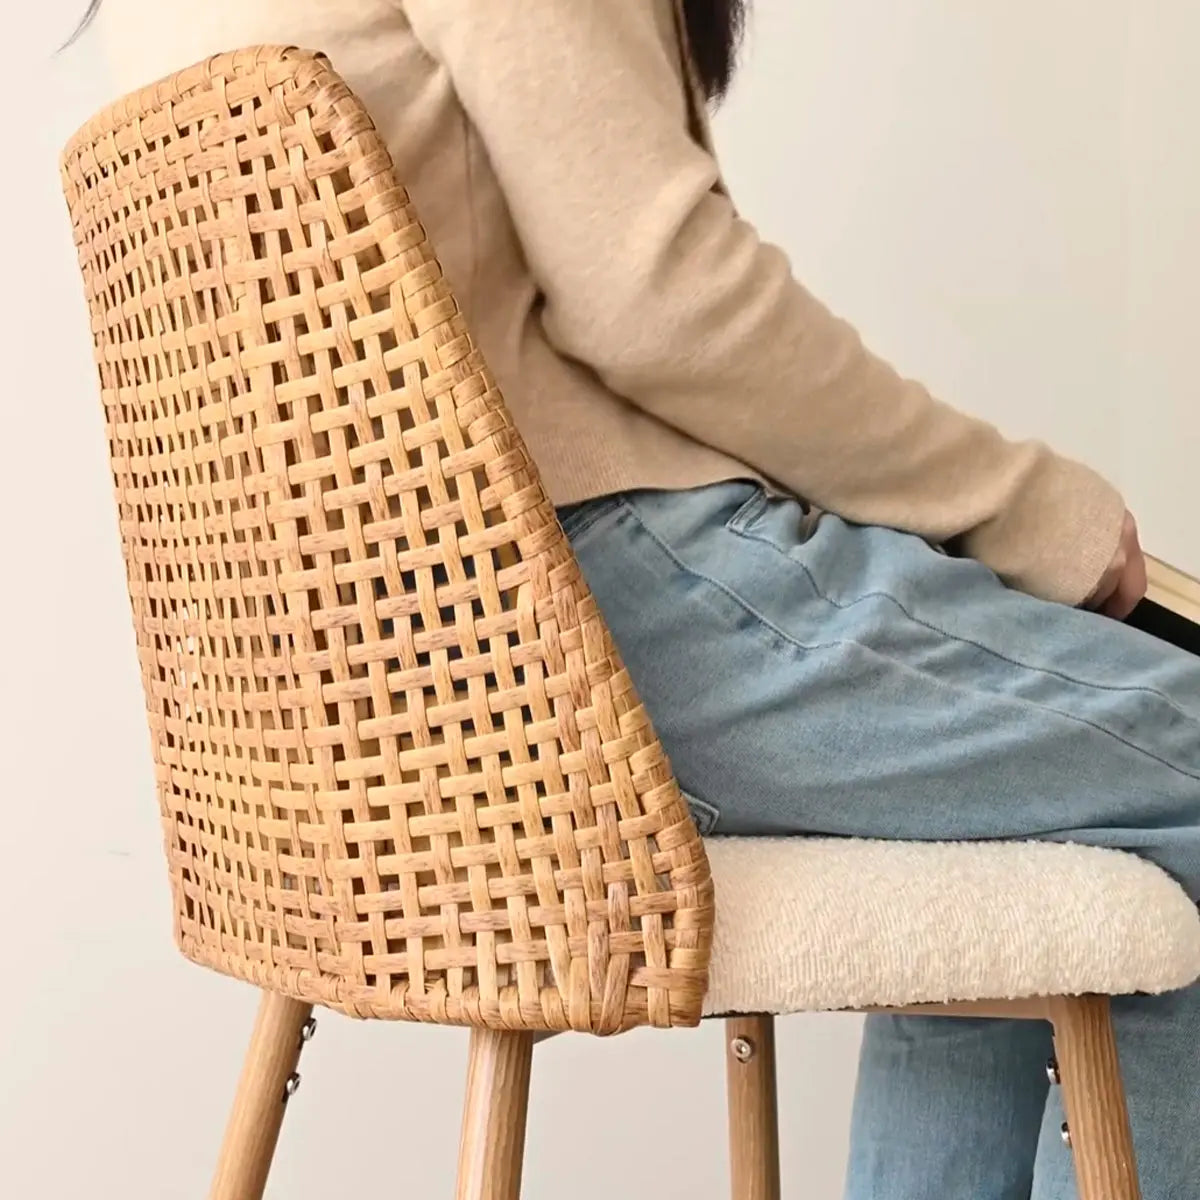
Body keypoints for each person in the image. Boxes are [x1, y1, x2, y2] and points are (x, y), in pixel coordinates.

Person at [83, 2, 1198, 1196]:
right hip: (590, 607)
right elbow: (661, 299)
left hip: (370, 676)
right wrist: (1022, 508)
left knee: (1004, 815)